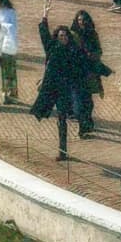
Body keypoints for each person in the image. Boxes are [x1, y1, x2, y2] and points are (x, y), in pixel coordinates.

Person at [32, 17, 89, 161]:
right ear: (57, 37)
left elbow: (82, 66)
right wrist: (44, 18)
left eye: (65, 35)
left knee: (64, 117)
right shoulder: (52, 48)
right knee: (57, 117)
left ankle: (63, 150)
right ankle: (62, 151)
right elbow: (44, 35)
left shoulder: (73, 51)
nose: (63, 38)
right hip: (53, 87)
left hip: (66, 89)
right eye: (61, 36)